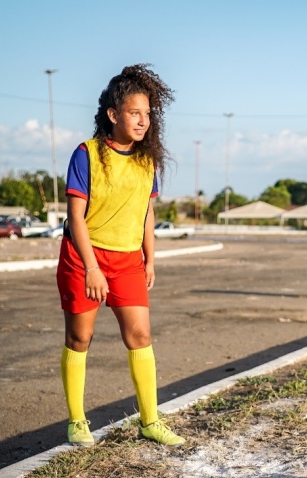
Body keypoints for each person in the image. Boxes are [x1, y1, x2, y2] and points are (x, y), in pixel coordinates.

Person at [56, 64, 184, 447]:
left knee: (140, 334)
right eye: (134, 113)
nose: (143, 121)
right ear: (114, 114)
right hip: (84, 257)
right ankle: (78, 421)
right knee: (80, 338)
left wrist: (151, 258)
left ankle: (150, 421)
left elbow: (147, 212)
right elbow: (74, 216)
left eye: (147, 114)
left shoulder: (148, 161)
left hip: (128, 260)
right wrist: (92, 268)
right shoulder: (87, 154)